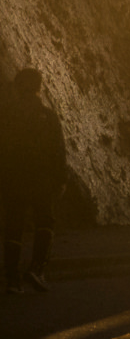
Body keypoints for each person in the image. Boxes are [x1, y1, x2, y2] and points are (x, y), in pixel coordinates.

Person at [0, 69, 66, 293]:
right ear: (39, 88)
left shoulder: (7, 114)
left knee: (13, 225)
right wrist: (61, 180)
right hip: (42, 178)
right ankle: (37, 268)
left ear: (18, 87)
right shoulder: (48, 116)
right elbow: (58, 151)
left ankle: (11, 279)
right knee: (45, 222)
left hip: (14, 177)